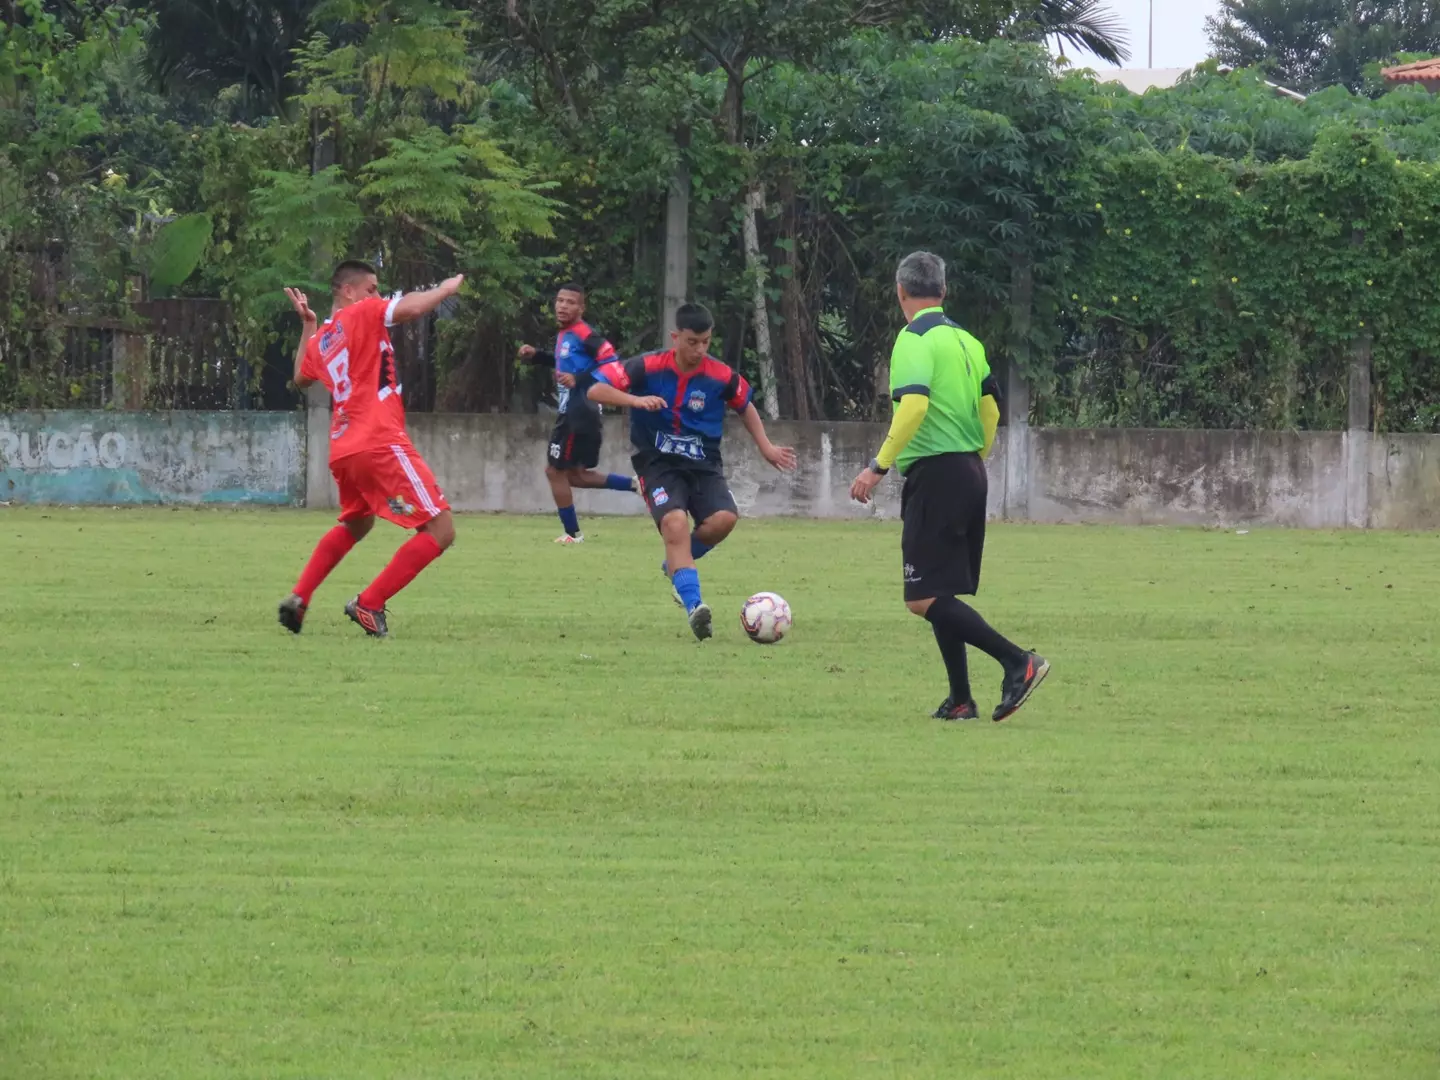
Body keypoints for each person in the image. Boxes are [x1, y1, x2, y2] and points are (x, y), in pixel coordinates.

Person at [849, 251, 1048, 722]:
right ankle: (961, 699)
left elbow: (913, 407)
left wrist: (877, 466)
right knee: (940, 591)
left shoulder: (913, 339)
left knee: (921, 597)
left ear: (901, 291)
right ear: (943, 290)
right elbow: (992, 412)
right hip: (968, 470)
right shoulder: (967, 341)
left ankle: (1019, 661)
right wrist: (973, 458)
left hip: (937, 474)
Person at [276, 261, 463, 639]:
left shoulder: (323, 338)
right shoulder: (363, 311)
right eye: (372, 288)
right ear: (349, 291)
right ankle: (370, 602)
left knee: (357, 522)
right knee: (441, 530)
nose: (376, 295)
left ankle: (300, 597)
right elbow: (408, 308)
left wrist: (308, 325)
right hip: (378, 439)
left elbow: (300, 378)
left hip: (344, 448)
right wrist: (444, 289)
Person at [588, 302, 797, 640]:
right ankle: (694, 606)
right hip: (656, 464)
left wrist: (767, 447)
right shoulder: (646, 367)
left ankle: (676, 563)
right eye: (692, 342)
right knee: (674, 523)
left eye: (706, 342)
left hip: (703, 465)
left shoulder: (720, 375)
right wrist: (636, 401)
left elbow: (745, 405)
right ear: (676, 337)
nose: (700, 349)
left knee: (724, 520)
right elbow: (596, 388)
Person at [518, 283, 638, 544]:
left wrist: (580, 379)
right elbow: (565, 362)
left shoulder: (586, 334)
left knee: (554, 471)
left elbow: (613, 364)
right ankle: (635, 484)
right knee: (576, 475)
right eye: (560, 300)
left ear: (581, 308)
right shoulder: (567, 334)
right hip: (577, 411)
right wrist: (536, 356)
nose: (562, 306)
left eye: (570, 302)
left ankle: (573, 534)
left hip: (578, 411)